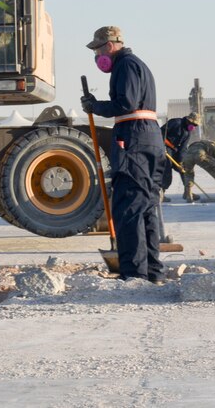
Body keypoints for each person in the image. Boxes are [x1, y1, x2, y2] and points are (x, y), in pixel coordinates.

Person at [80, 25, 166, 284]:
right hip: (150, 137)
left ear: (109, 45)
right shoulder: (139, 64)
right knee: (146, 206)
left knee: (128, 206)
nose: (96, 57)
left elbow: (125, 104)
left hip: (133, 138)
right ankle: (153, 272)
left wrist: (95, 106)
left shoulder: (125, 65)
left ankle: (133, 272)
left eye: (97, 50)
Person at [162, 112, 200, 202]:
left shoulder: (188, 133)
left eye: (195, 125)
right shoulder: (175, 123)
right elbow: (160, 133)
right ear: (188, 120)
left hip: (175, 150)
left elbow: (183, 149)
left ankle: (188, 192)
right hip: (164, 147)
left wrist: (181, 162)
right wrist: (163, 146)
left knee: (185, 169)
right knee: (167, 170)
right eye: (193, 124)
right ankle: (161, 194)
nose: (194, 126)